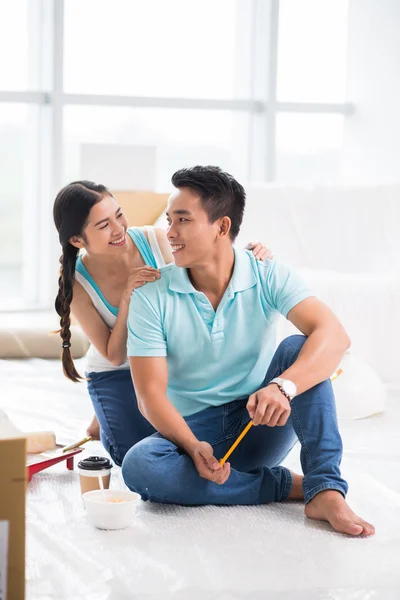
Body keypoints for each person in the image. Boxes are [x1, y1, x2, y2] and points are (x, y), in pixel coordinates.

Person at [122, 166, 375, 537]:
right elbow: (149, 395)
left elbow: (335, 336)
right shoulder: (151, 295)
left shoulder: (268, 273)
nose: (170, 233)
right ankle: (283, 485)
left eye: (183, 220)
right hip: (193, 431)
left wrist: (283, 387)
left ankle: (327, 488)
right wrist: (192, 447)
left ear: (221, 227)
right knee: (140, 466)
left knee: (301, 347)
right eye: (168, 220)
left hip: (261, 420)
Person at [53, 180, 272, 466]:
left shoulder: (156, 241)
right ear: (78, 240)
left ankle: (105, 415)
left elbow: (205, 268)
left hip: (166, 363)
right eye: (104, 225)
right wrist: (129, 299)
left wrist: (246, 255)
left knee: (189, 444)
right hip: (118, 371)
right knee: (133, 455)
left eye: (119, 215)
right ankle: (107, 412)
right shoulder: (77, 284)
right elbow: (115, 354)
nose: (119, 229)